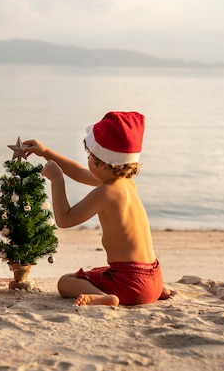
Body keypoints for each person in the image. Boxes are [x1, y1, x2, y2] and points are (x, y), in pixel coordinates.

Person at [23, 111, 171, 306]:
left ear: (101, 163)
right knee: (102, 271)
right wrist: (45, 152)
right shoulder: (126, 183)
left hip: (130, 285)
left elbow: (65, 220)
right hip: (154, 278)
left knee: (66, 282)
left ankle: (105, 298)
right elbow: (77, 172)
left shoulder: (106, 192)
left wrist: (57, 179)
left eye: (90, 156)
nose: (87, 160)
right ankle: (153, 291)